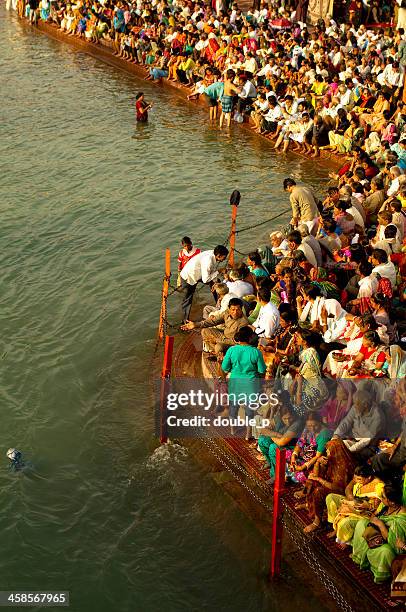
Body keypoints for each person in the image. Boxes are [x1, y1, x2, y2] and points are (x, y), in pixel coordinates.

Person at [351, 484, 406, 583]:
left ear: (392, 502)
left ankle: (381, 573)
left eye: (383, 497)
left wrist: (381, 525)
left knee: (385, 552)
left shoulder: (401, 518)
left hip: (388, 545)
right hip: (377, 536)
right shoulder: (386, 506)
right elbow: (375, 515)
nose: (381, 498)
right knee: (362, 523)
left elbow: (396, 546)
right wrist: (367, 512)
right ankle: (361, 558)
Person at [221, 326, 266, 439]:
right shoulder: (255, 352)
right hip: (251, 383)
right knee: (249, 409)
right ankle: (248, 434)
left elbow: (224, 367)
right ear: (251, 337)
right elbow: (261, 370)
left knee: (234, 407)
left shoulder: (232, 350)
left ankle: (232, 430)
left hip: (235, 381)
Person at [303, 439, 357, 533]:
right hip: (329, 485)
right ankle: (309, 505)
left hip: (341, 491)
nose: (327, 452)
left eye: (328, 450)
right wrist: (318, 463)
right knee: (311, 482)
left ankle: (317, 521)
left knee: (318, 491)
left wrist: (319, 479)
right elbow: (317, 475)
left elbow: (338, 488)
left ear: (335, 451)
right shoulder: (332, 459)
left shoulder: (344, 465)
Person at [326, 464, 386, 546]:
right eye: (356, 478)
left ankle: (345, 540)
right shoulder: (360, 479)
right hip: (353, 502)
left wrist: (347, 503)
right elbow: (349, 490)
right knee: (331, 497)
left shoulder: (379, 487)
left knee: (345, 522)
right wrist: (349, 500)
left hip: (366, 513)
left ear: (369, 477)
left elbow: (369, 506)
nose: (356, 481)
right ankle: (335, 528)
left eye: (359, 479)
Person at [181, 298, 248, 359]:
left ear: (241, 309)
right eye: (233, 310)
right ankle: (214, 351)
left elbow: (238, 342)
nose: (235, 312)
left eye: (238, 310)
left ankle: (220, 354)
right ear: (229, 309)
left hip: (231, 343)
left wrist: (218, 340)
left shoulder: (243, 322)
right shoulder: (226, 313)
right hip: (223, 335)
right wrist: (195, 324)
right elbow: (213, 321)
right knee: (204, 331)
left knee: (218, 347)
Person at [179, 245, 229, 322]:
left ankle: (219, 305)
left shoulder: (213, 254)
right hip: (189, 277)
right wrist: (219, 271)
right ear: (218, 255)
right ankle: (184, 321)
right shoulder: (208, 260)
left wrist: (215, 282)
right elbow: (205, 280)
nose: (225, 259)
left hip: (199, 274)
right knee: (188, 299)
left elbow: (211, 271)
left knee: (216, 283)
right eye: (224, 257)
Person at [332, 389, 385, 458]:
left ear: (365, 405)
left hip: (367, 446)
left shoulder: (378, 416)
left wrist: (349, 451)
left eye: (356, 404)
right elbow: (346, 422)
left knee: (342, 455)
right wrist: (336, 434)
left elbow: (366, 440)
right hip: (352, 439)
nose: (354, 406)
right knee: (334, 445)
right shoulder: (356, 407)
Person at [258, 405, 303, 483]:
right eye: (285, 419)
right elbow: (262, 429)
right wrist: (277, 435)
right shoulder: (278, 418)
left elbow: (282, 442)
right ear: (281, 417)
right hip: (279, 439)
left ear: (293, 415)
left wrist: (271, 433)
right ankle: (269, 462)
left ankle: (276, 475)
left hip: (292, 447)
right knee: (262, 440)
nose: (288, 421)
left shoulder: (297, 423)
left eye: (290, 418)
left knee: (273, 447)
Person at [287, 415, 331, 484]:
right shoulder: (307, 428)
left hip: (312, 462)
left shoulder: (324, 434)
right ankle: (288, 473)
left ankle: (290, 475)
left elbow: (317, 456)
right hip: (303, 455)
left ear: (320, 422)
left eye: (315, 425)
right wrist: (293, 456)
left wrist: (302, 467)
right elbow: (299, 444)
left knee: (298, 476)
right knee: (285, 455)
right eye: (309, 426)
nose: (312, 428)